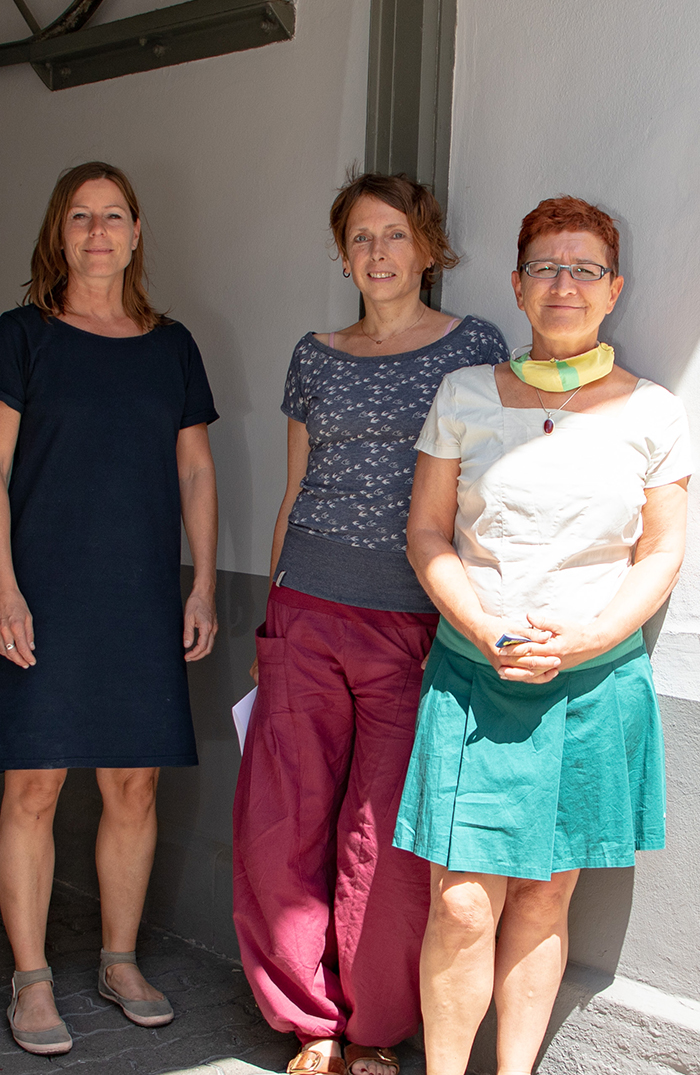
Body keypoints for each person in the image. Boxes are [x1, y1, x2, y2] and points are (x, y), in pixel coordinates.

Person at [396, 196, 691, 1075]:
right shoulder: (465, 395)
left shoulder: (652, 413)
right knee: (459, 904)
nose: (565, 284)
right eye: (546, 269)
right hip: (474, 679)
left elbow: (662, 549)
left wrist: (591, 634)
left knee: (543, 900)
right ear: (519, 288)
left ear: (613, 291)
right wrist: (483, 626)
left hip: (591, 685)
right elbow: (427, 534)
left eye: (585, 269)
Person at [234, 173, 508, 1075]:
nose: (378, 253)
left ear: (428, 248)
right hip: (306, 605)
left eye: (396, 236)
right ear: (343, 252)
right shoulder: (314, 354)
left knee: (386, 830)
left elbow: (485, 491)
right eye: (361, 238)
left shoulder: (473, 351)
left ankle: (375, 1028)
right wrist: (271, 607)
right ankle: (309, 1019)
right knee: (285, 817)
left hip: (411, 621)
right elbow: (295, 490)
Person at [0, 161, 220, 1057]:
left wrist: (202, 581)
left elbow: (194, 469)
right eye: (81, 216)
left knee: (133, 783)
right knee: (34, 785)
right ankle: (30, 978)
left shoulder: (172, 345)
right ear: (58, 230)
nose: (99, 231)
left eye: (115, 215)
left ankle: (118, 960)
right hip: (42, 593)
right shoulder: (20, 337)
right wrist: (2, 586)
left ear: (137, 231)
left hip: (141, 594)